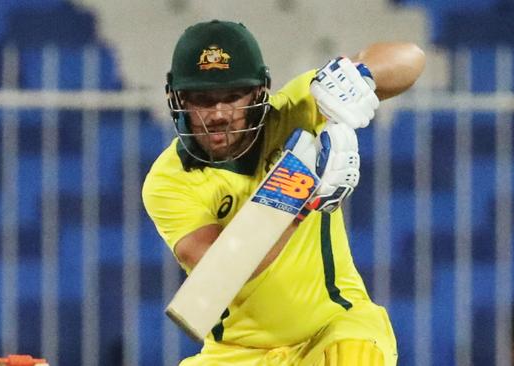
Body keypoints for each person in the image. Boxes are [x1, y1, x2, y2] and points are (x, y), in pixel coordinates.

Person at [142, 19, 425, 366]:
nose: (217, 115)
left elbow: (411, 59)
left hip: (331, 330)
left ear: (260, 92)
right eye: (202, 100)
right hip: (235, 353)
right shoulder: (168, 180)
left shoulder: (297, 109)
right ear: (178, 99)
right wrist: (300, 193)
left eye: (232, 97)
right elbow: (218, 272)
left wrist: (360, 76)